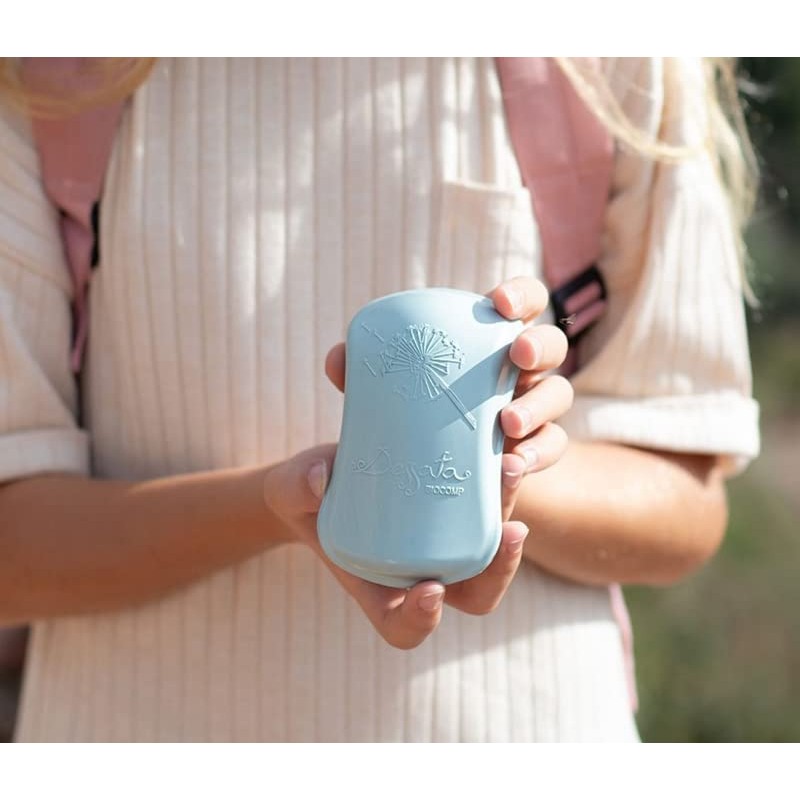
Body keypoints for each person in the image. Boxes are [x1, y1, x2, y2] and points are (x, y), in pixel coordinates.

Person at [0, 57, 759, 742]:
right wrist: (276, 506)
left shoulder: (603, 58)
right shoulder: (52, 68)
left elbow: (684, 501)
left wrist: (499, 478)